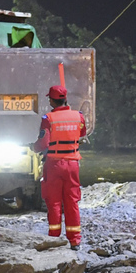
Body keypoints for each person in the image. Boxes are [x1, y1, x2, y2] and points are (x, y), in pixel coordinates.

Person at [33, 84, 87, 248]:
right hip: (72, 164)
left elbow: (43, 143)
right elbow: (82, 133)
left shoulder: (47, 119)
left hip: (54, 164)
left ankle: (54, 239)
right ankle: (75, 240)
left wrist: (33, 147)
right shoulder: (79, 116)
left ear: (51, 100)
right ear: (65, 99)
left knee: (54, 202)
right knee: (72, 201)